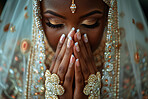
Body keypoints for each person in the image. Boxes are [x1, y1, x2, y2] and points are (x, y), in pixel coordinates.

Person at [0, 0, 148, 99]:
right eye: (54, 23)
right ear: (37, 16)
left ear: (110, 16)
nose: (73, 38)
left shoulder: (134, 64)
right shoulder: (11, 62)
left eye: (90, 23)